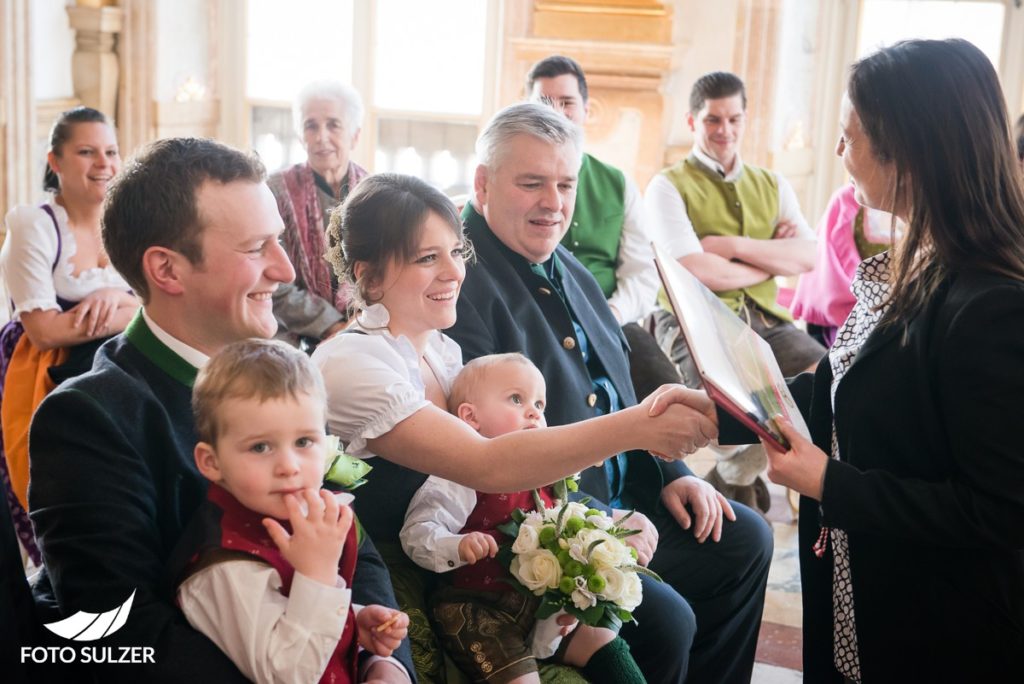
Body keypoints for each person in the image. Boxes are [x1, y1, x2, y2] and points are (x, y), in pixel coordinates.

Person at [28, 137, 411, 682]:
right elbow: (120, 633)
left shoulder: (287, 378)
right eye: (257, 248)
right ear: (167, 270)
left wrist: (384, 662)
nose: (284, 270)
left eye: (279, 242)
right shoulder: (89, 418)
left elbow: (347, 533)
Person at [310, 171, 717, 683]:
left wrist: (601, 524)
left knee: (667, 620)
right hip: (408, 575)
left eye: (455, 252)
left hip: (485, 554)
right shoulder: (351, 363)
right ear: (369, 277)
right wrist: (637, 427)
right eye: (426, 258)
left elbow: (515, 451)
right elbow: (488, 464)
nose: (453, 273)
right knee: (655, 625)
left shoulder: (442, 349)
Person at [446, 102, 773, 684]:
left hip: (634, 494)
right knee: (667, 620)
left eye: (565, 184)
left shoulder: (563, 261)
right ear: (483, 183)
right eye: (531, 183)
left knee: (742, 538)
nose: (554, 203)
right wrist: (605, 523)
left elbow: (616, 385)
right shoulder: (458, 281)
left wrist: (677, 475)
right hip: (553, 522)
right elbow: (494, 453)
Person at [737, 39, 1024, 682]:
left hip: (940, 623)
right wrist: (729, 404)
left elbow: (1004, 511)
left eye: (850, 137)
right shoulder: (918, 262)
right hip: (864, 581)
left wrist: (829, 484)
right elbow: (846, 384)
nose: (839, 152)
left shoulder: (993, 305)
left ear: (909, 151)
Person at [401, 353, 644, 684]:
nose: (534, 412)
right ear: (471, 418)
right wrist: (457, 545)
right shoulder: (460, 475)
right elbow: (417, 532)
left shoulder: (548, 474)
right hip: (476, 607)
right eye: (517, 399)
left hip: (538, 606)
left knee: (602, 637)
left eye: (540, 405)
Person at [177, 339, 409, 683]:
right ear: (211, 462)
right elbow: (286, 673)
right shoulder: (226, 567)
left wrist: (352, 622)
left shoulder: (298, 513)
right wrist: (318, 575)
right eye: (260, 447)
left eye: (304, 442)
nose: (289, 466)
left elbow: (292, 613)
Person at [644, 71, 825, 509]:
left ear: (745, 120)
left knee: (828, 385)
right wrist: (768, 261)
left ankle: (735, 482)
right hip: (693, 319)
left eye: (733, 119)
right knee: (726, 414)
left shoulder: (773, 184)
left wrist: (732, 249)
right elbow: (695, 271)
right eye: (712, 120)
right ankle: (737, 482)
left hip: (767, 322)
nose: (724, 130)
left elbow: (809, 257)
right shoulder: (667, 186)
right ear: (692, 122)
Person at [0, 106, 137, 563]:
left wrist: (116, 302)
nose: (104, 163)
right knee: (50, 482)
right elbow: (43, 330)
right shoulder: (34, 225)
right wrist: (129, 308)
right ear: (54, 161)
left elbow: (163, 298)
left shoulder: (127, 221)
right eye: (86, 151)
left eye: (111, 151)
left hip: (118, 361)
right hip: (44, 369)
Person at [525, 55, 680, 400]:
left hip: (612, 318)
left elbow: (642, 273)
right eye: (543, 103)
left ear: (585, 109)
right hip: (535, 319)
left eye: (566, 102)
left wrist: (612, 313)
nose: (555, 113)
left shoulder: (618, 183)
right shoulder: (512, 180)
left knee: (669, 393)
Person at [269, 81, 367, 348]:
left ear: (355, 136)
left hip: (363, 324)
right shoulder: (276, 191)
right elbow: (273, 281)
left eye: (333, 125)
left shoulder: (376, 194)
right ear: (301, 136)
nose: (321, 137)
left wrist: (356, 324)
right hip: (288, 326)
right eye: (311, 126)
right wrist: (332, 325)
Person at [788, 184, 894, 347]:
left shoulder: (920, 202)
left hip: (897, 309)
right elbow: (829, 264)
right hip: (849, 309)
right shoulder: (846, 200)